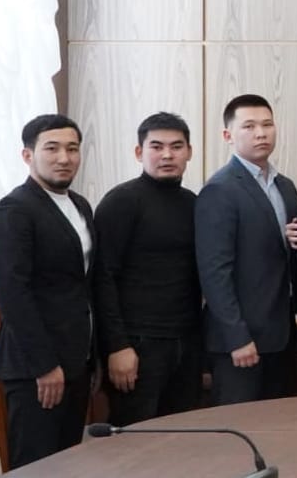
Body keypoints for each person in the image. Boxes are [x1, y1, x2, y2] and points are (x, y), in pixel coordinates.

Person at [0, 115, 94, 467]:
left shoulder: (80, 205)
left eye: (72, 149)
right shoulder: (13, 211)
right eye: (52, 148)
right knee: (37, 465)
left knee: (69, 461)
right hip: (35, 368)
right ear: (28, 155)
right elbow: (13, 295)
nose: (64, 158)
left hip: (76, 360)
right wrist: (45, 365)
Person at [195, 95, 297, 405]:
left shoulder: (285, 186)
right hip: (240, 340)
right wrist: (237, 336)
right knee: (238, 426)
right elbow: (214, 272)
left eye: (267, 125)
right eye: (249, 126)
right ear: (228, 135)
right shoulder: (220, 189)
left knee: (277, 424)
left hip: (281, 334)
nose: (261, 133)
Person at [92, 112, 204, 426]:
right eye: (157, 146)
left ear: (189, 152)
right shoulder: (121, 201)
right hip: (138, 345)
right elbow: (102, 278)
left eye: (176, 146)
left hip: (187, 343)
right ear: (139, 152)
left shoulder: (194, 203)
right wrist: (117, 346)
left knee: (182, 437)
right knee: (135, 441)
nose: (167, 155)